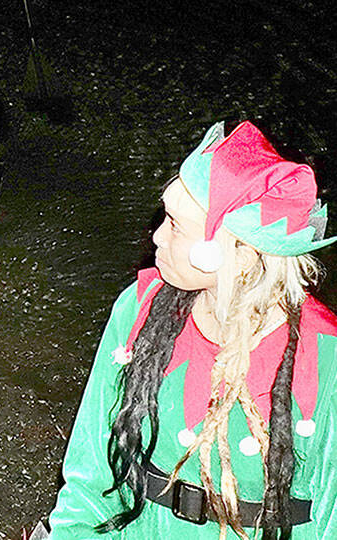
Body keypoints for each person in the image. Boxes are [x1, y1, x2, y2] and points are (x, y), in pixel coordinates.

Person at [37, 121, 337, 539]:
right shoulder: (139, 308)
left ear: (243, 254)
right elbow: (91, 474)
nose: (157, 235)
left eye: (176, 224)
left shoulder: (325, 359)